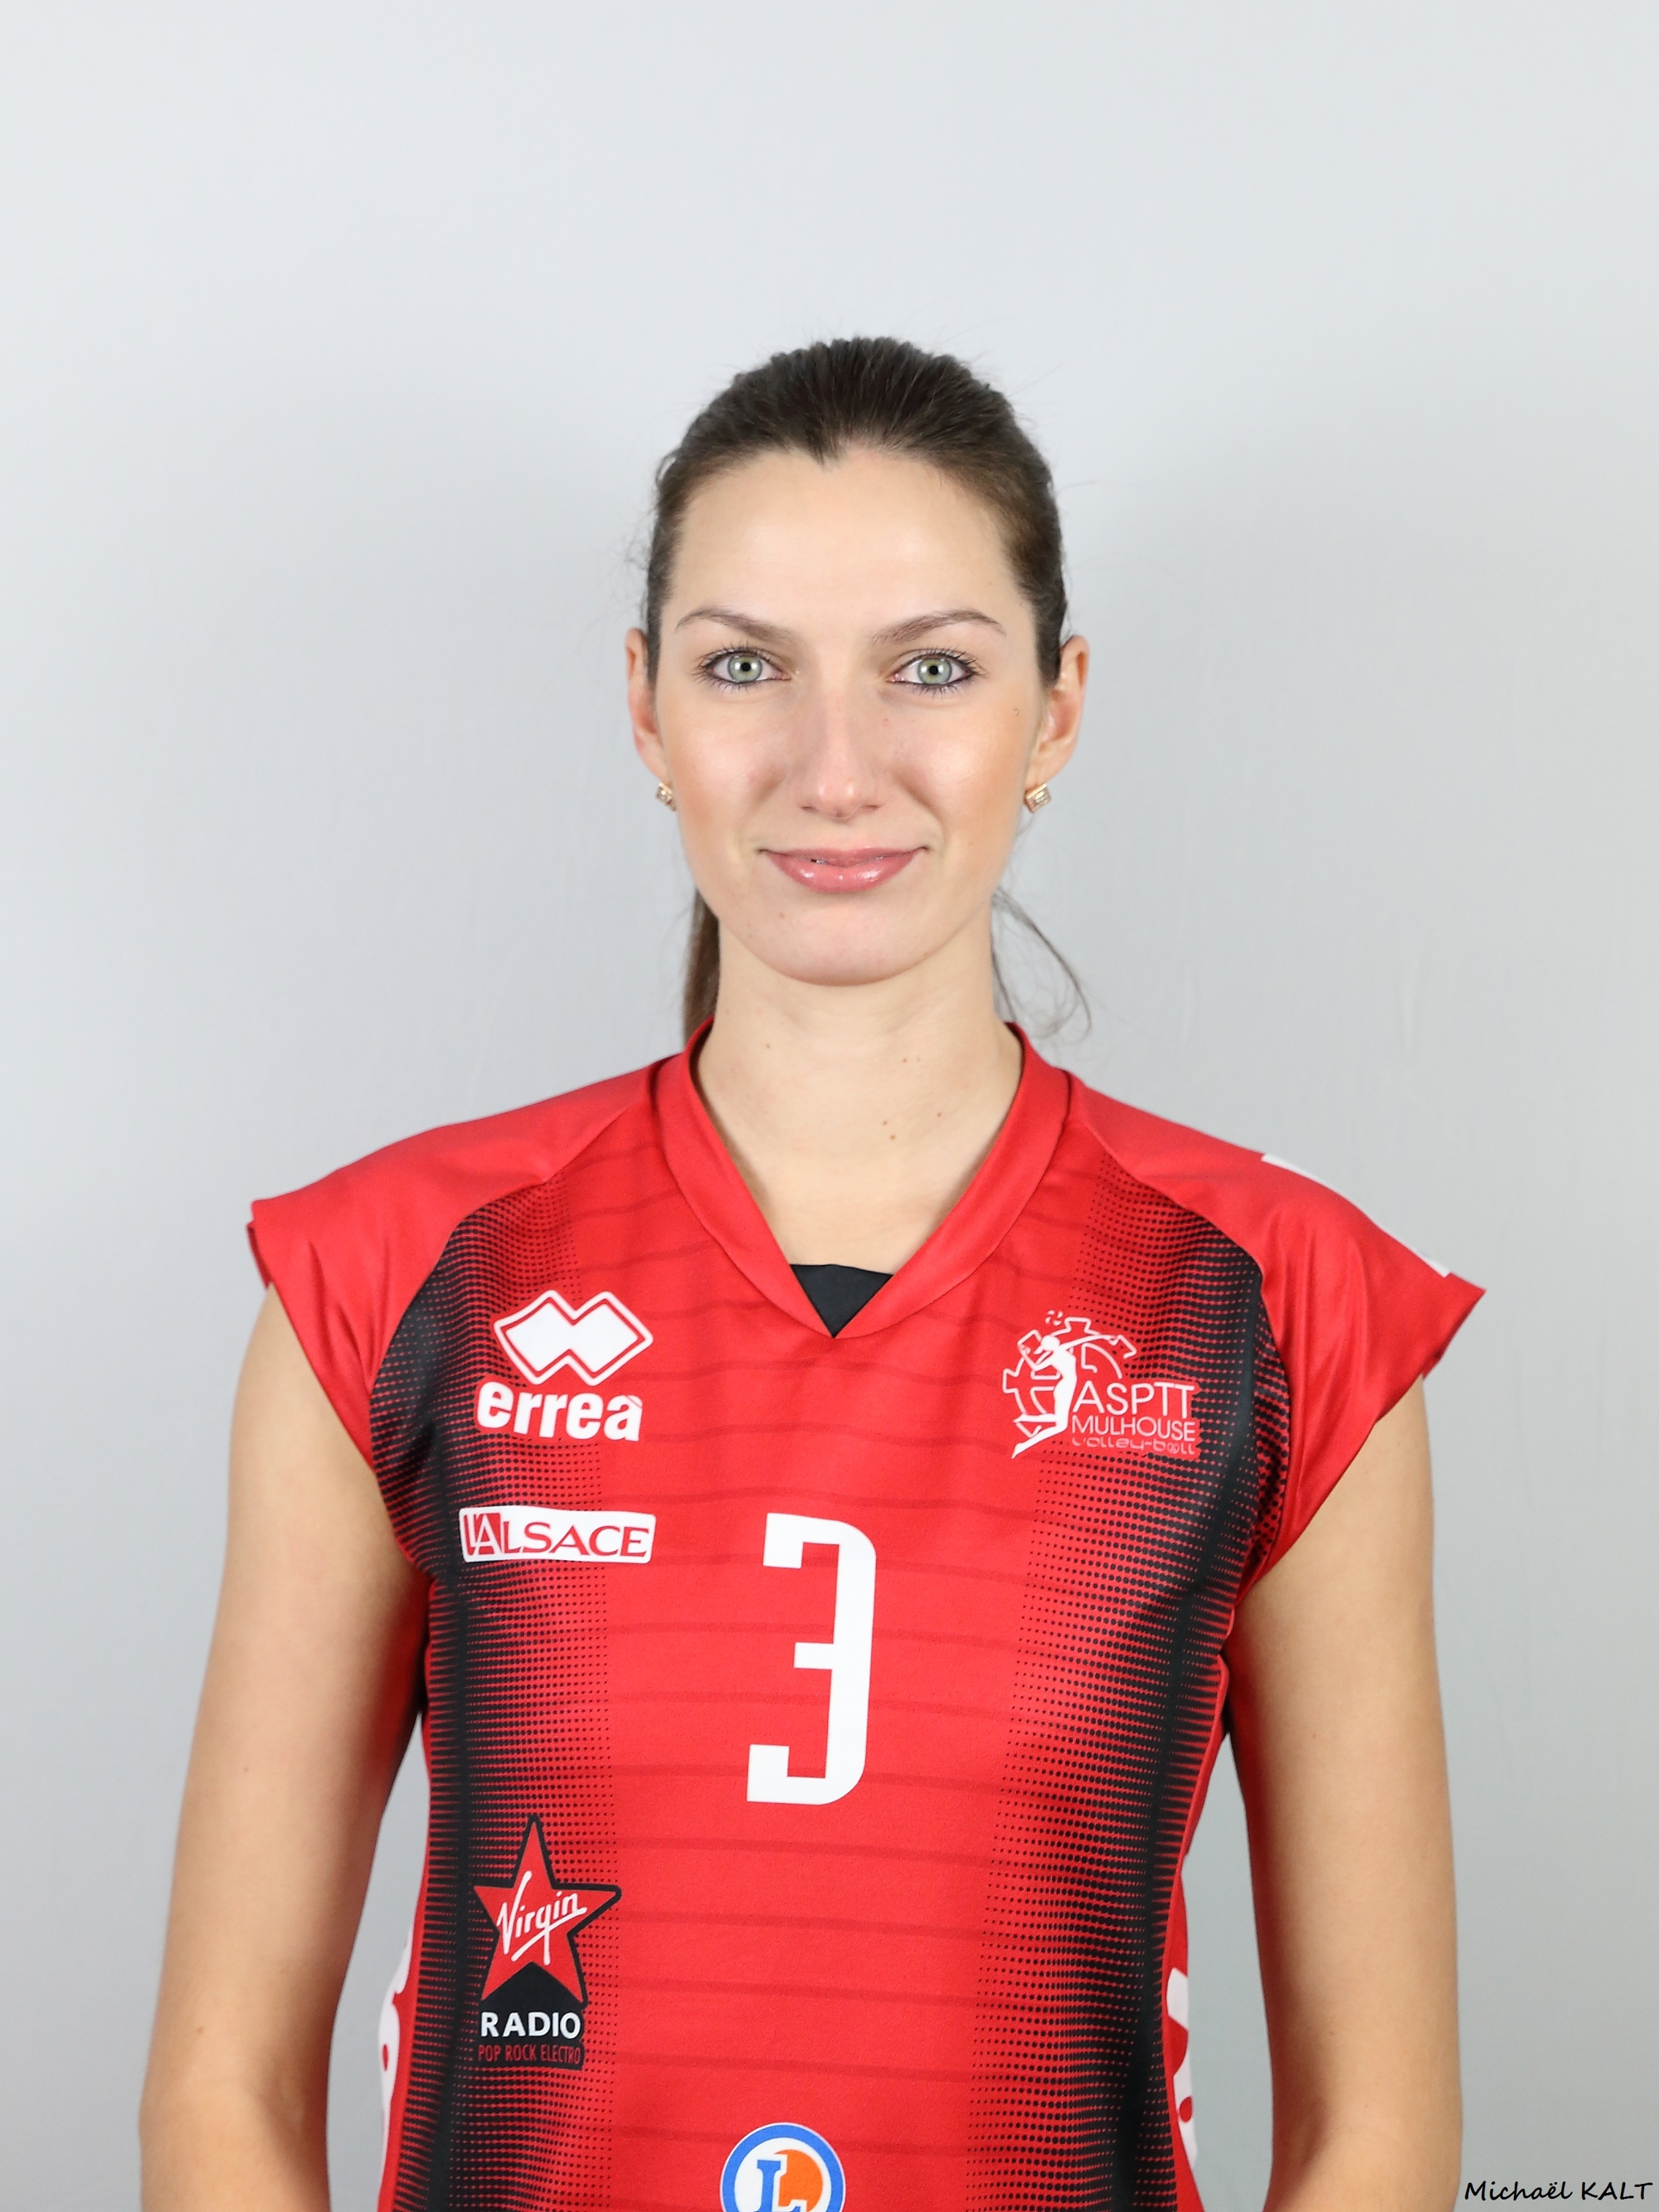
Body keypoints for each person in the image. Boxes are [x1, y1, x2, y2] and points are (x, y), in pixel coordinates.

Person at [141, 338, 1480, 2212]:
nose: (834, 770)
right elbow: (222, 2089)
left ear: (1057, 709)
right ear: (645, 708)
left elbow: (1379, 2134)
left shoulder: (1283, 1304)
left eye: (931, 668)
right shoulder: (388, 1275)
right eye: (744, 665)